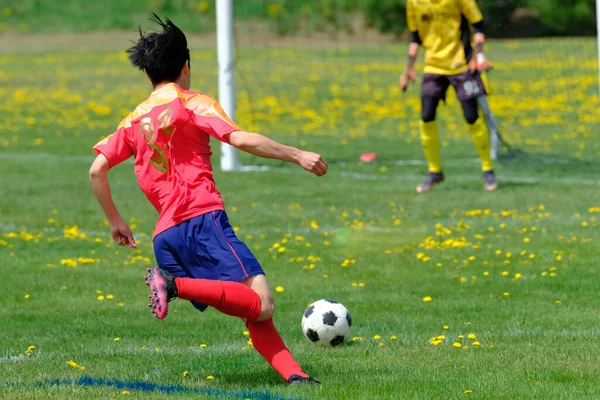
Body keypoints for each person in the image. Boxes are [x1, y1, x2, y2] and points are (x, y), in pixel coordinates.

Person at [88, 15, 325, 385]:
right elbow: (241, 139)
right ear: (186, 66)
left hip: (166, 235)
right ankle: (171, 284)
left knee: (254, 305)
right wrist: (297, 155)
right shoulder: (193, 103)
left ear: (149, 75)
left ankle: (295, 376)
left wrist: (115, 221)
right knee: (262, 303)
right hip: (202, 220)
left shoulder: (132, 120)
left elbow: (96, 170)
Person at [400, 0, 498, 193]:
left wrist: (478, 55)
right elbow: (415, 37)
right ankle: (434, 171)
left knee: (472, 117)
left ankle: (488, 169)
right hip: (433, 66)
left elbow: (478, 25)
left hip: (461, 64)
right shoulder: (413, 3)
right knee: (426, 116)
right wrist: (408, 68)